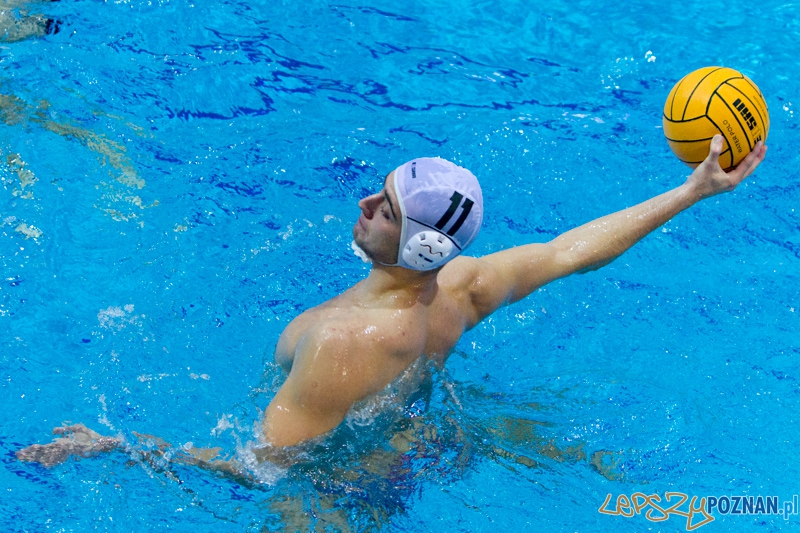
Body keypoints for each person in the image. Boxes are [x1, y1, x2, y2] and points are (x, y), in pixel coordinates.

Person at [17, 135, 767, 468]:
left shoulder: (347, 343)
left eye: (384, 207)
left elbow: (262, 465)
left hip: (341, 488)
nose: (364, 199)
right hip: (414, 424)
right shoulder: (462, 288)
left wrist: (116, 447)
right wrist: (693, 189)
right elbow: (574, 249)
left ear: (421, 248)